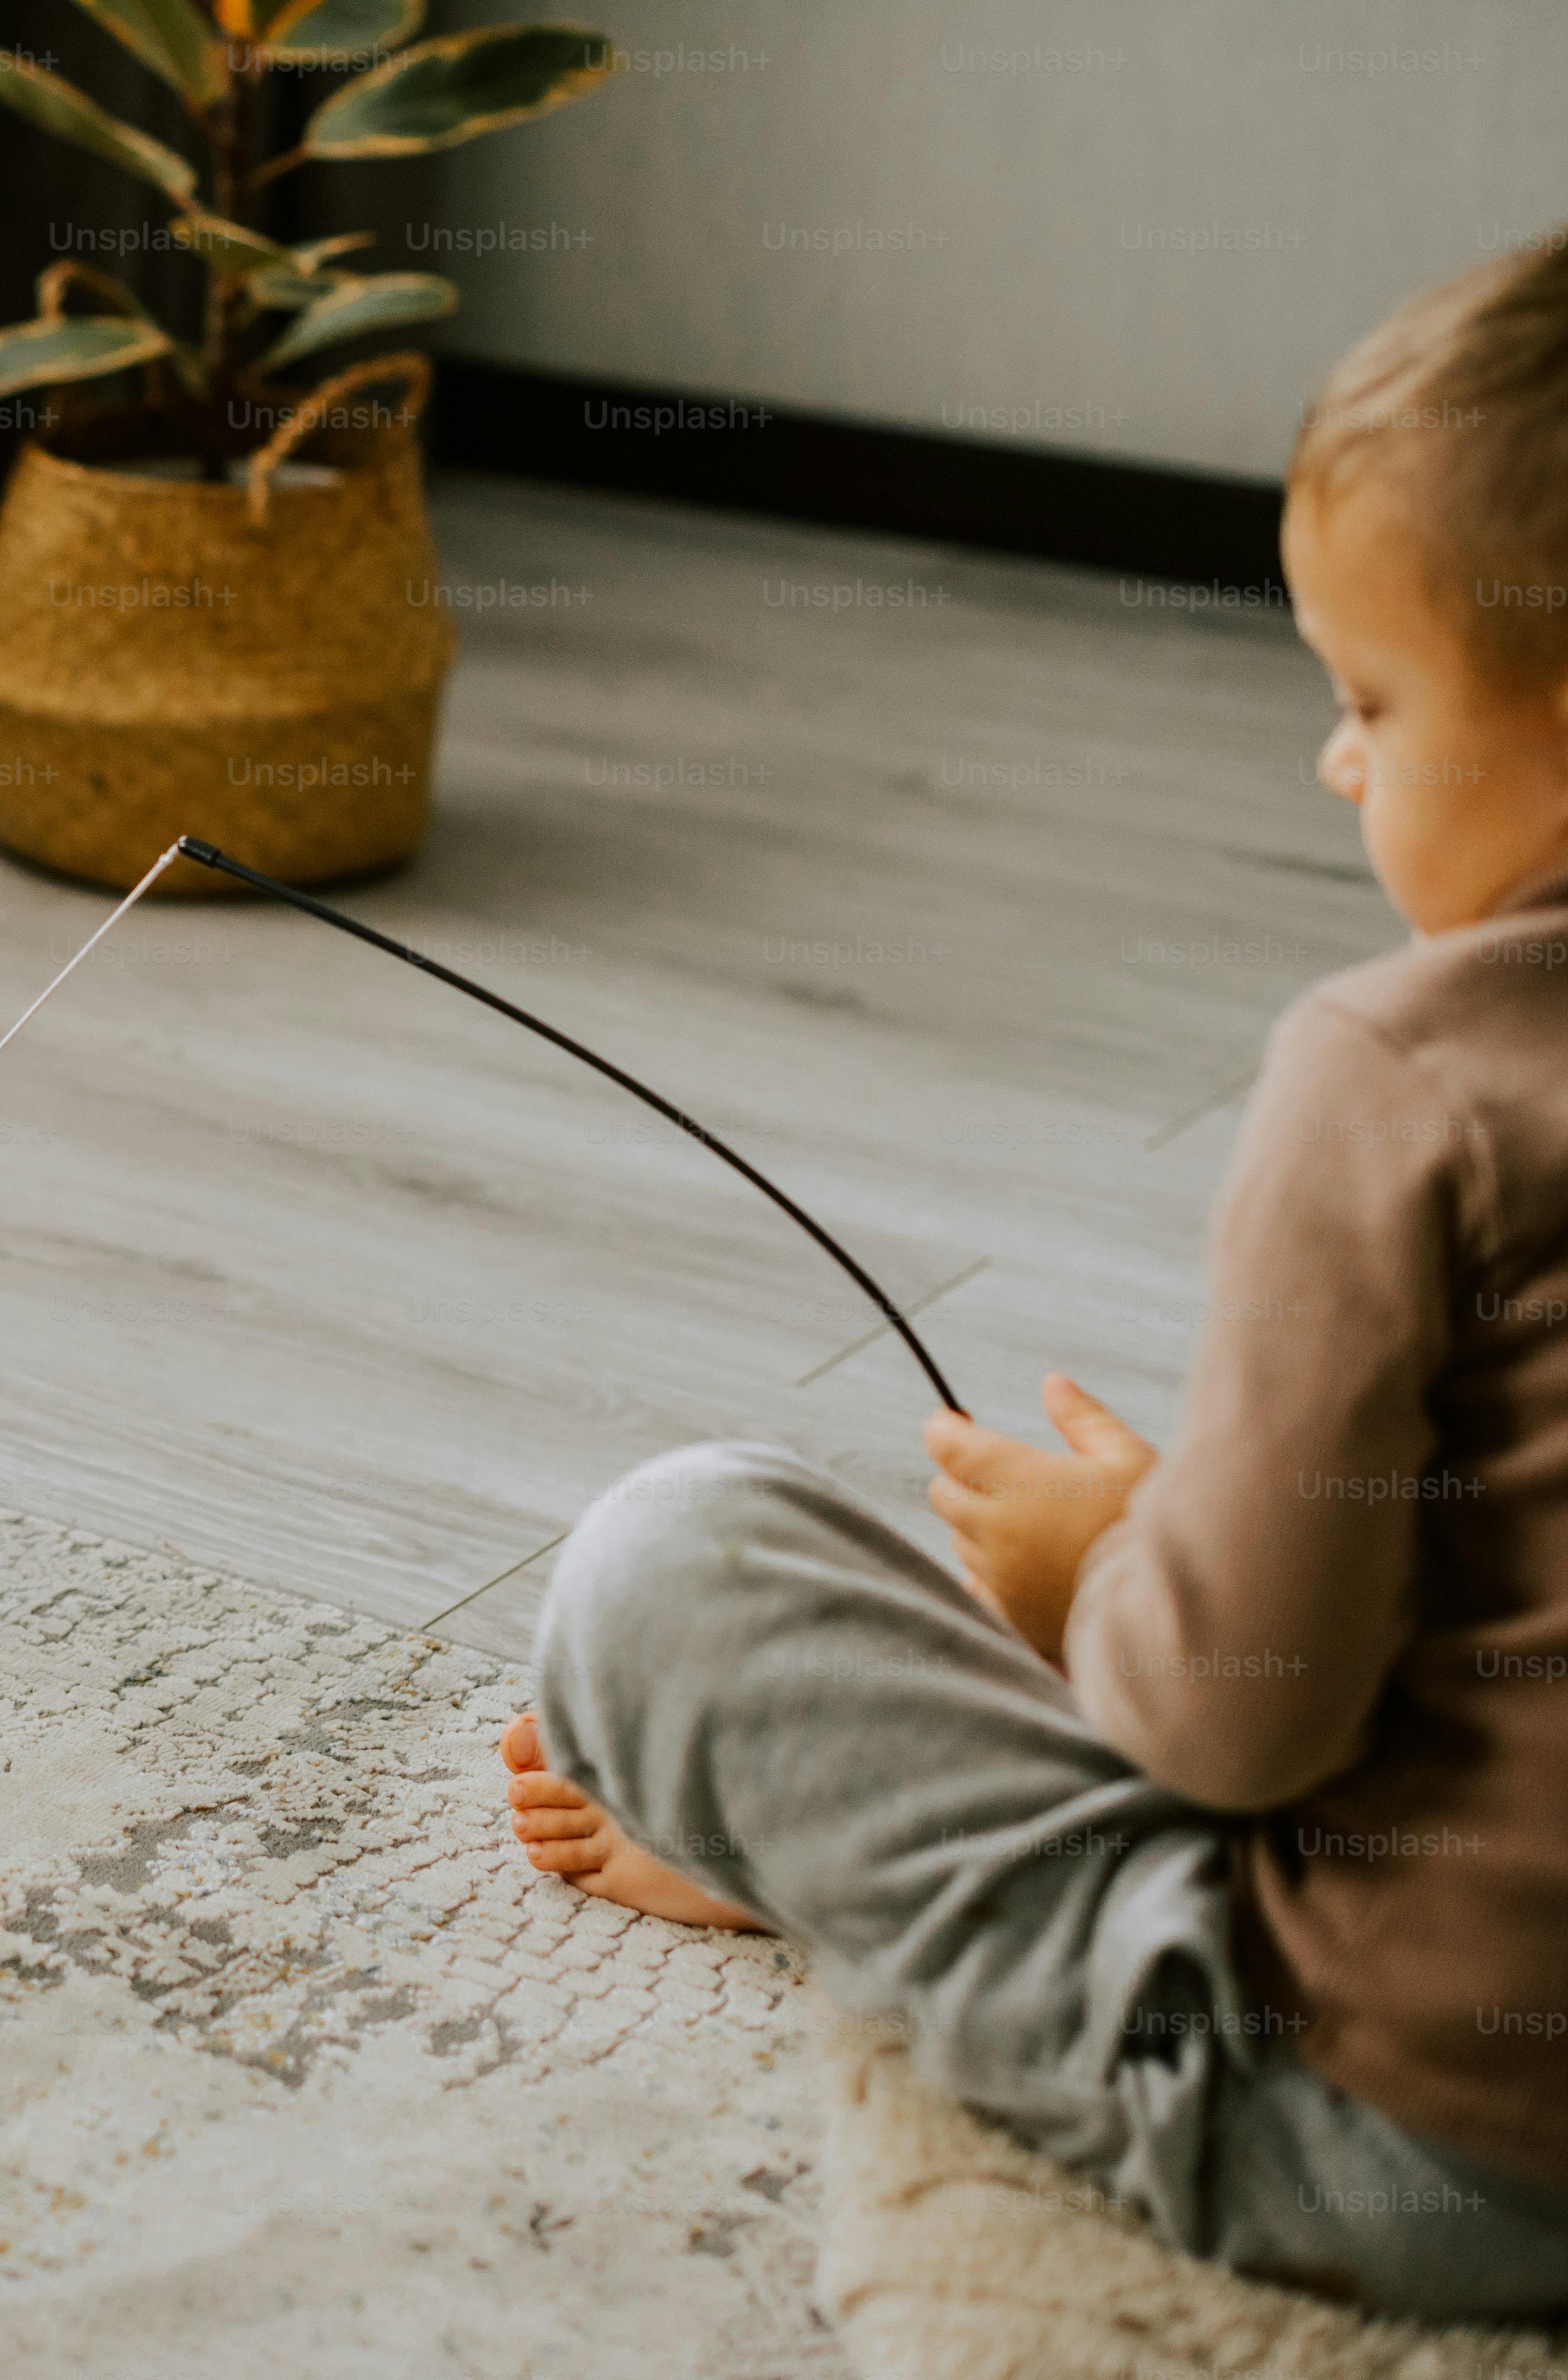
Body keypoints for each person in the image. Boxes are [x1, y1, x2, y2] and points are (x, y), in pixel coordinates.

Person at [500, 234, 1568, 2324]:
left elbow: (1243, 1730)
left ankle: (814, 1864)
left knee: (672, 1557)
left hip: (1414, 2136)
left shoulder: (1398, 1081)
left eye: (1370, 700)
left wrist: (1125, 1565)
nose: (1337, 763)